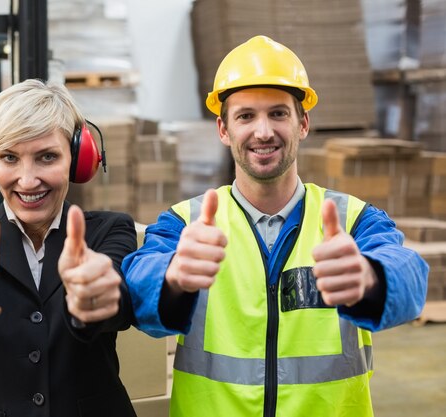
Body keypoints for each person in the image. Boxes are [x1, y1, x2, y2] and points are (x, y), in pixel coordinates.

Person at [122, 35, 429, 417]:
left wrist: (371, 277)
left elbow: (410, 273)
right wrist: (171, 279)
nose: (263, 131)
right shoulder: (186, 225)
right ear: (223, 129)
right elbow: (138, 286)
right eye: (246, 116)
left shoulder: (352, 221)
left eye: (278, 113)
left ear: (303, 123)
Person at [0, 79, 138, 417]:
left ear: (77, 160)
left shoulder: (108, 230)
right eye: (9, 157)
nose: (27, 179)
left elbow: (118, 298)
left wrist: (97, 291)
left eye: (47, 157)